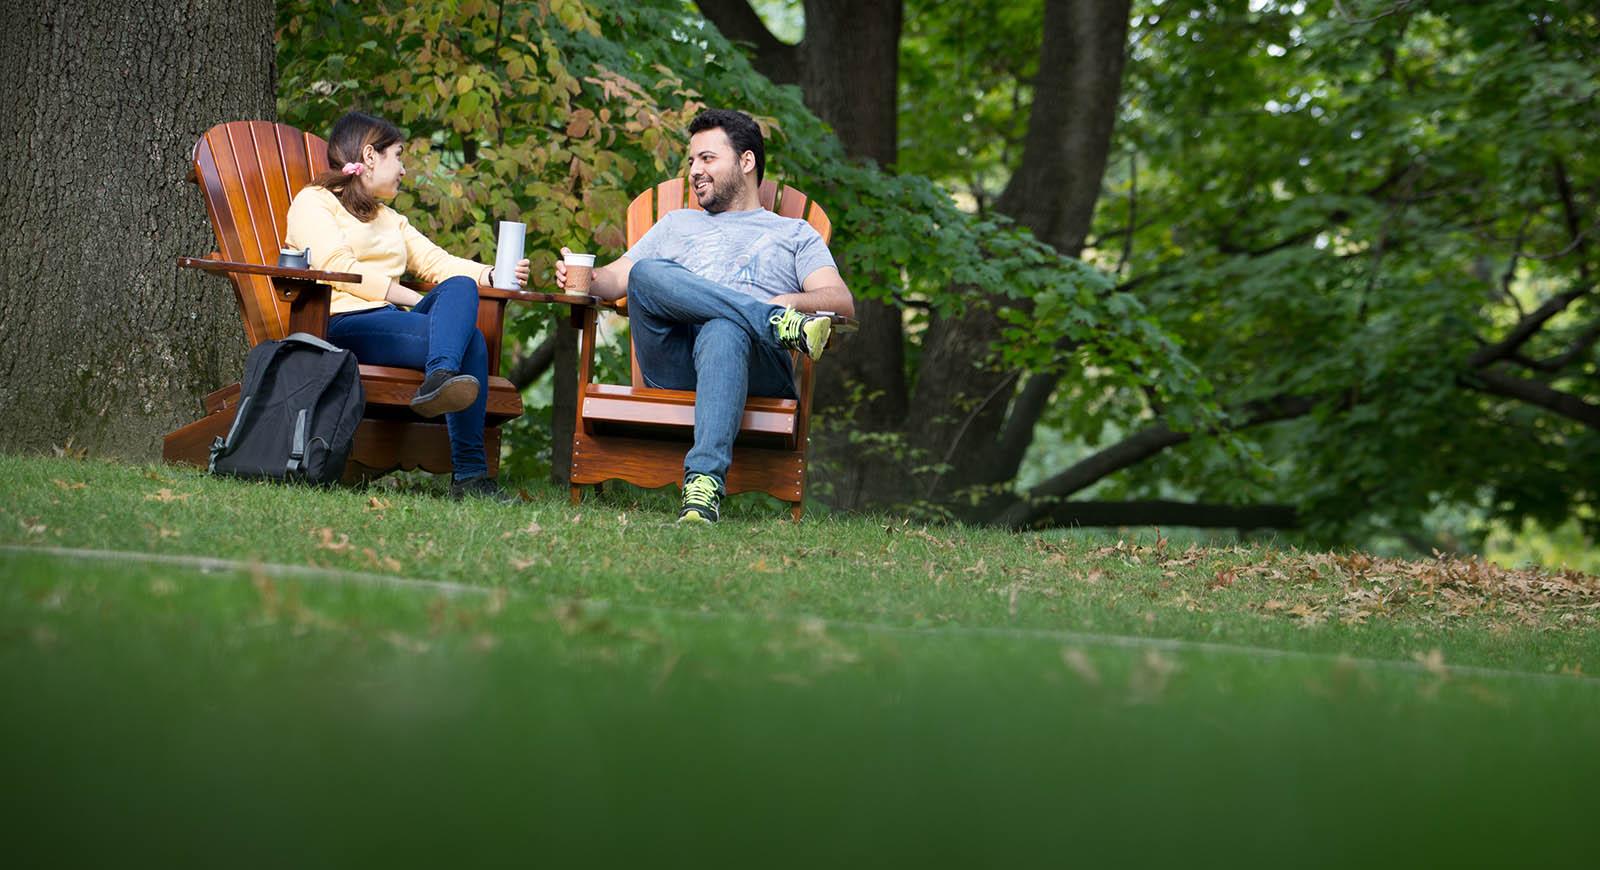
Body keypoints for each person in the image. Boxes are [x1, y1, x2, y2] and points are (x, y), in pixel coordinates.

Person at [554, 108, 854, 523]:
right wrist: (583, 276)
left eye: (708, 158)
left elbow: (839, 300)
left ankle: (704, 483)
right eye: (692, 161)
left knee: (723, 329)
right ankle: (767, 322)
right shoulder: (676, 224)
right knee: (647, 271)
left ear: (746, 162)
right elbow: (620, 280)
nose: (695, 170)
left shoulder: (794, 233)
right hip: (674, 364)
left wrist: (791, 302)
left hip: (757, 372)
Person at [285, 111, 527, 503]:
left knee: (461, 286)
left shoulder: (389, 219)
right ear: (369, 155)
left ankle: (439, 377)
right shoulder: (314, 203)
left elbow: (438, 263)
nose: (403, 169)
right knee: (473, 343)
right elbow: (339, 268)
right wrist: (412, 300)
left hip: (391, 322)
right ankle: (469, 477)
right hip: (341, 322)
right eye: (398, 156)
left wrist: (494, 274)